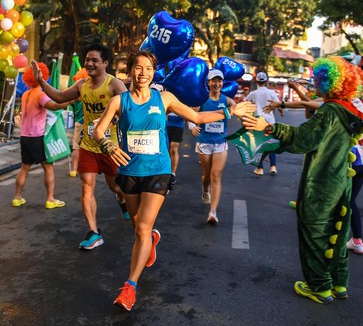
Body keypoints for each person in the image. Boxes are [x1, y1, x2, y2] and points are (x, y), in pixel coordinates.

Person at [93, 51, 256, 311]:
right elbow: (98, 129)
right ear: (131, 71)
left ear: (153, 72)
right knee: (138, 227)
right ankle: (151, 241)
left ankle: (130, 287)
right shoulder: (119, 100)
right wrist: (107, 144)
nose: (142, 73)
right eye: (138, 67)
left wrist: (231, 111)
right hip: (130, 172)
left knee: (143, 229)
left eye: (148, 68)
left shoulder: (164, 98)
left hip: (158, 170)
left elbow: (199, 118)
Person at [243, 56, 363, 305]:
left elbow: (304, 138)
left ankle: (319, 286)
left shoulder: (330, 111)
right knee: (338, 233)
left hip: (321, 184)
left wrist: (268, 128)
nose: (314, 84)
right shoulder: (347, 111)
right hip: (342, 181)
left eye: (317, 80)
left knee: (315, 233)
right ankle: (339, 284)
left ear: (328, 82)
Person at [33, 43, 129, 250]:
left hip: (110, 146)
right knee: (86, 186)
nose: (89, 63)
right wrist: (41, 81)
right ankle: (94, 233)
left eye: (95, 60)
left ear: (105, 63)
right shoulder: (81, 85)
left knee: (116, 187)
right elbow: (59, 96)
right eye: (88, 60)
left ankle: (121, 200)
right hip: (88, 145)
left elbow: (128, 112)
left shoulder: (115, 85)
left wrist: (111, 121)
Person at [12, 62, 67, 210]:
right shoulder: (41, 95)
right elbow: (53, 106)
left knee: (24, 168)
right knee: (48, 168)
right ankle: (50, 199)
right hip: (37, 137)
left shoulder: (25, 94)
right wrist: (70, 101)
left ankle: (17, 197)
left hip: (25, 136)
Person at [189, 69, 235, 224]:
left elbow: (238, 111)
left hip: (221, 142)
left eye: (219, 81)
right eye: (213, 81)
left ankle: (213, 212)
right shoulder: (201, 100)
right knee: (207, 176)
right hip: (204, 142)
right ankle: (205, 189)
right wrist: (191, 126)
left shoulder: (227, 100)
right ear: (208, 83)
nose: (217, 84)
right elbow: (190, 115)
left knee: (216, 175)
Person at [246, 72, 283, 175]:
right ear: (266, 81)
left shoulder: (253, 93)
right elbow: (278, 104)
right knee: (271, 143)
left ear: (256, 81)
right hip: (270, 121)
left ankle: (260, 168)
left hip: (258, 121)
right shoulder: (271, 93)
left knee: (259, 145)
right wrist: (280, 110)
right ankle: (273, 167)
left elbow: (245, 103)